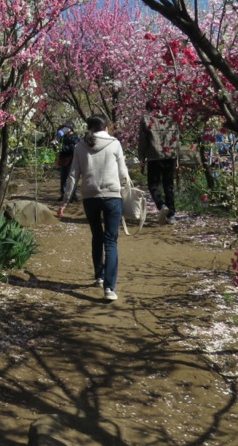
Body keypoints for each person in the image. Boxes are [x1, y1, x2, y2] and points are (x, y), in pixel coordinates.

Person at [57, 115, 132, 302]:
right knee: (111, 241)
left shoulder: (80, 145)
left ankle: (99, 275)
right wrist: (128, 187)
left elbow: (73, 176)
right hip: (112, 196)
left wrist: (65, 202)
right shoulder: (114, 143)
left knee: (97, 236)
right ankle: (109, 288)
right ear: (105, 127)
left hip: (90, 197)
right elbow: (123, 172)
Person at [138, 101, 180, 224]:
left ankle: (161, 205)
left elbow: (143, 140)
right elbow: (177, 140)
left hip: (154, 157)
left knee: (153, 184)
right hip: (170, 157)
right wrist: (177, 158)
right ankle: (171, 215)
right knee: (169, 186)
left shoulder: (146, 120)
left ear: (149, 108)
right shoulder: (171, 120)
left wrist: (142, 157)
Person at [55, 124, 80, 202]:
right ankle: (64, 195)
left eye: (64, 128)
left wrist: (62, 147)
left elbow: (73, 148)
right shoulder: (63, 138)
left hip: (71, 160)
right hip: (64, 160)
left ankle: (73, 196)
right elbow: (59, 148)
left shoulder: (75, 138)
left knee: (71, 178)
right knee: (63, 178)